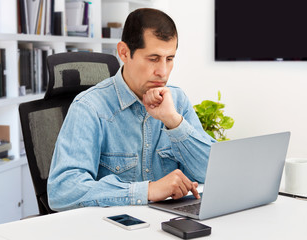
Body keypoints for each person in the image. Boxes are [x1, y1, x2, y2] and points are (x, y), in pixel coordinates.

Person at [47, 8, 216, 211]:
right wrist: (147, 191)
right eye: (153, 59)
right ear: (124, 53)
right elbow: (62, 191)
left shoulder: (176, 101)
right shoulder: (89, 107)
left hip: (168, 224)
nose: (163, 72)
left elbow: (213, 174)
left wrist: (173, 121)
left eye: (169, 59)